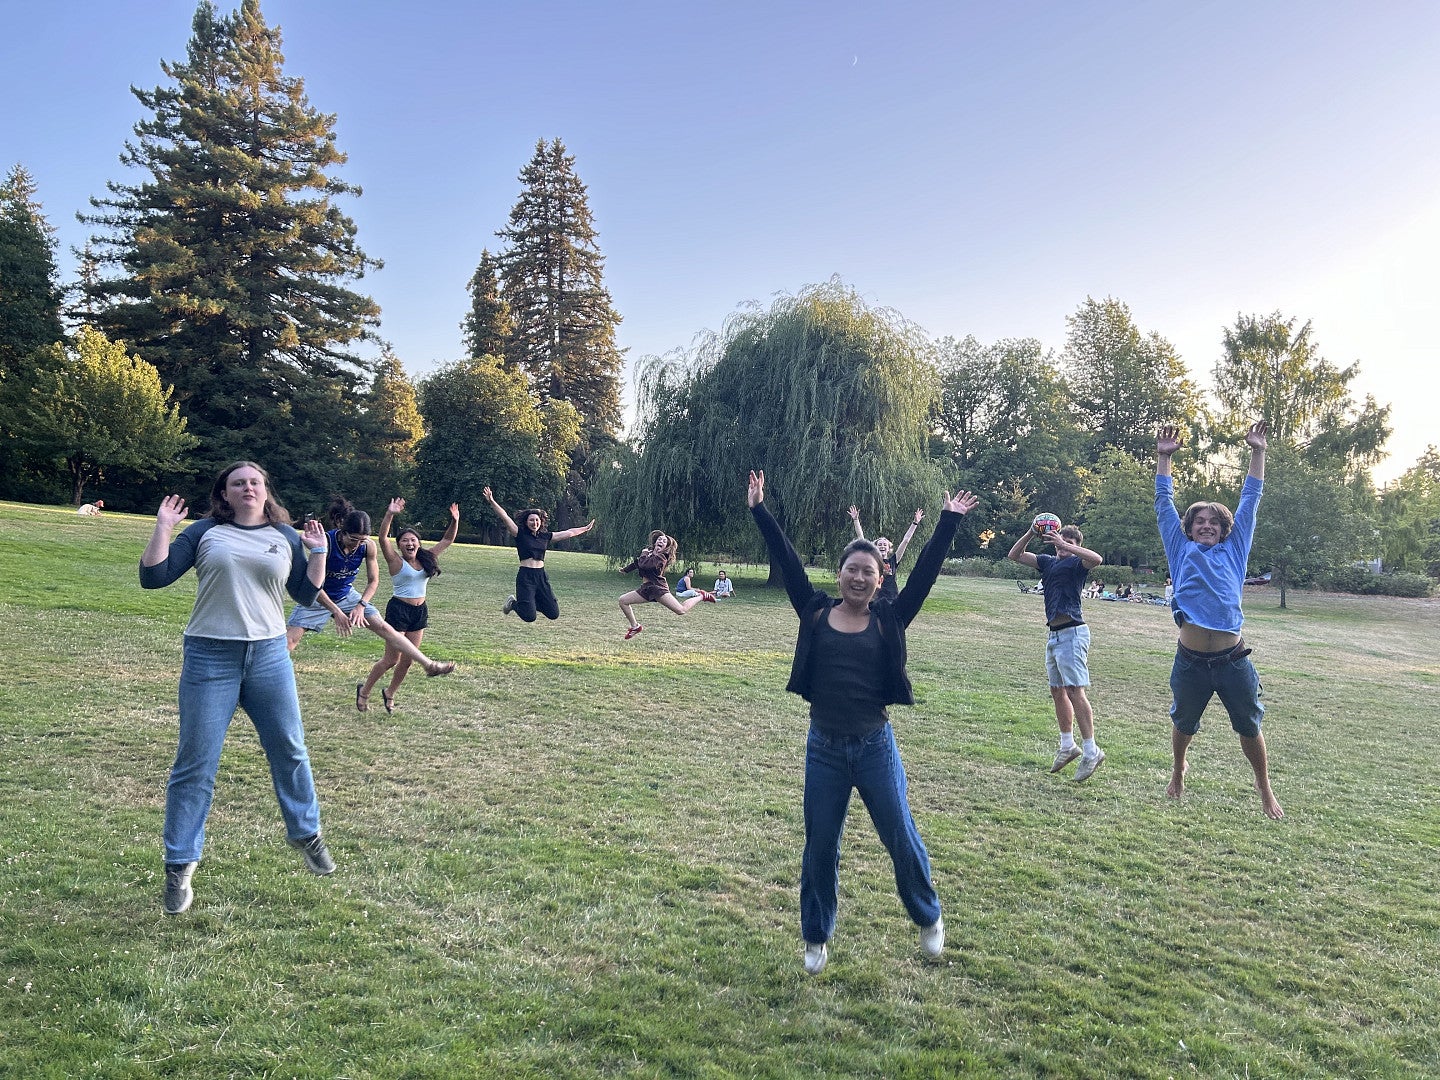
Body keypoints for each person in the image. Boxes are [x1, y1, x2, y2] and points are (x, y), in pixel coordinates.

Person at [750, 469, 978, 974]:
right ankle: (816, 935)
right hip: (824, 747)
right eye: (852, 568)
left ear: (879, 580)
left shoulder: (890, 617)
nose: (859, 577)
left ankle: (928, 916)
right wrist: (760, 509)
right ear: (840, 573)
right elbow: (787, 561)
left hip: (874, 745)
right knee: (820, 843)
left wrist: (947, 524)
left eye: (868, 572)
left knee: (899, 834)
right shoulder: (813, 611)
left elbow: (924, 577)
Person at [140, 462, 335, 915]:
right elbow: (153, 577)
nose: (247, 488)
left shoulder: (286, 536)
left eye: (255, 482)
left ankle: (306, 833)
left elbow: (305, 595)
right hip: (210, 656)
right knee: (195, 762)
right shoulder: (206, 532)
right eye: (238, 483)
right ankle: (179, 865)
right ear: (224, 494)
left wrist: (319, 552)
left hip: (268, 656)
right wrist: (164, 528)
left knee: (289, 748)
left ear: (266, 490)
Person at [1156, 422, 1283, 819]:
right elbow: (1163, 503)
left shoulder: (1235, 549)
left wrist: (1257, 451)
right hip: (1190, 660)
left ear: (1225, 529)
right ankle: (1178, 770)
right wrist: (1164, 457)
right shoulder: (1180, 550)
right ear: (1189, 529)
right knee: (1184, 723)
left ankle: (1265, 790)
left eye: (1213, 522)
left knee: (1249, 726)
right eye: (1199, 521)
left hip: (1233, 661)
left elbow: (1252, 499)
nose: (1206, 525)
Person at [285, 496, 456, 694]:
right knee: (289, 642)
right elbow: (314, 586)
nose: (357, 544)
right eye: (353, 539)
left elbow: (373, 581)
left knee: (384, 628)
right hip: (318, 597)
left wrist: (361, 605)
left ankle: (429, 665)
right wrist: (337, 612)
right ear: (343, 532)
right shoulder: (327, 543)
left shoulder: (368, 546)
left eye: (362, 540)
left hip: (347, 595)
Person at [1007, 522, 1106, 781]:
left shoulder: (1077, 564)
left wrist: (1067, 548)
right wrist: (1030, 531)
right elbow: (1014, 555)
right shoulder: (1048, 562)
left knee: (1075, 690)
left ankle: (1091, 750)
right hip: (1054, 634)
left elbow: (1097, 559)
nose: (1063, 545)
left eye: (1070, 543)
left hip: (1073, 632)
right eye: (1061, 540)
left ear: (1076, 547)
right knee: (1057, 691)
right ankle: (1067, 745)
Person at [357, 498, 460, 713]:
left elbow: (448, 539)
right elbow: (383, 537)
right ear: (400, 545)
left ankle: (390, 693)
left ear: (419, 543)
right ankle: (364, 691)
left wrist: (454, 520)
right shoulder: (395, 561)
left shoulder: (427, 558)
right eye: (405, 540)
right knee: (391, 660)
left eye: (413, 540)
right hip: (398, 611)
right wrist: (390, 513)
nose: (410, 543)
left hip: (419, 612)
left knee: (408, 661)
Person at [483, 486, 594, 622]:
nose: (534, 522)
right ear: (526, 522)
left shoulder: (545, 536)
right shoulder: (520, 534)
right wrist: (492, 501)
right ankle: (513, 603)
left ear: (540, 522)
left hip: (541, 576)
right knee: (529, 617)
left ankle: (530, 603)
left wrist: (584, 529)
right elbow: (504, 516)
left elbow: (568, 533)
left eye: (537, 520)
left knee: (553, 613)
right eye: (531, 520)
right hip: (526, 576)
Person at [618, 533, 715, 639]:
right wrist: (625, 570)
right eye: (659, 539)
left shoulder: (662, 557)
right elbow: (637, 564)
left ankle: (701, 596)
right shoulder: (648, 554)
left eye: (664, 542)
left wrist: (643, 554)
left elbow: (645, 564)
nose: (661, 541)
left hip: (658, 588)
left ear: (666, 547)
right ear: (655, 543)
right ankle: (635, 627)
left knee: (681, 610)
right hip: (646, 589)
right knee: (623, 600)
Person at [846, 505, 923, 600]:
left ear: (888, 548)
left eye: (885, 544)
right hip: (874, 598)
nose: (882, 546)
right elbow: (861, 537)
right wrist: (856, 520)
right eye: (880, 544)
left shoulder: (894, 560)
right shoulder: (873, 559)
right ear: (875, 547)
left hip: (892, 598)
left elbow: (906, 540)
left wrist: (915, 523)